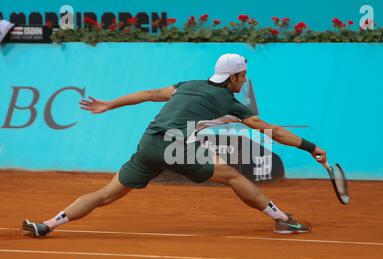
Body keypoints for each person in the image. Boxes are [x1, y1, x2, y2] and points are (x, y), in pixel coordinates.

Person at [22, 53, 327, 238]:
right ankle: (283, 221)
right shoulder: (230, 103)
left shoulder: (189, 84)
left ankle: (48, 224)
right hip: (176, 146)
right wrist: (310, 147)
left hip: (149, 142)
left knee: (105, 194)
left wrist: (109, 104)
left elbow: (151, 93)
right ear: (233, 76)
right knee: (234, 176)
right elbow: (272, 131)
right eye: (243, 76)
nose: (244, 81)